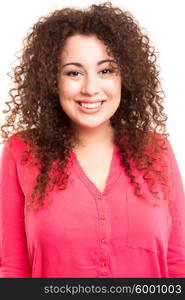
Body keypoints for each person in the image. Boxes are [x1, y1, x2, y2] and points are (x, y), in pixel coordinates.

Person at [0, 1, 185, 278]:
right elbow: (13, 269)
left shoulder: (156, 151)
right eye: (73, 73)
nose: (90, 88)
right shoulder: (22, 151)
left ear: (127, 76)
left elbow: (177, 263)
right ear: (52, 80)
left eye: (106, 71)